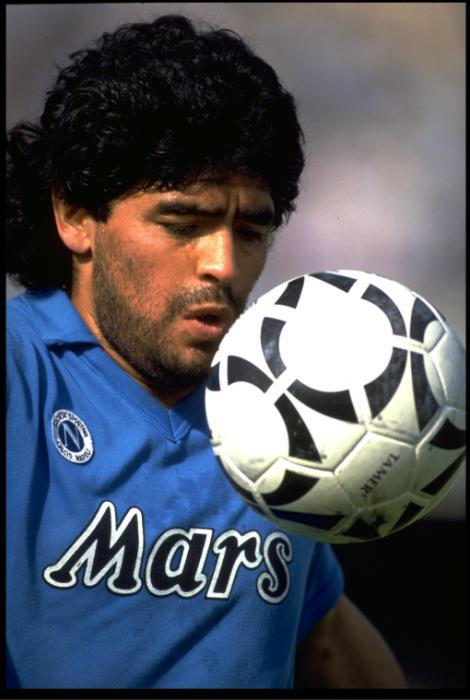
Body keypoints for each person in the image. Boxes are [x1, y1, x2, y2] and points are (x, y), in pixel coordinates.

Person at [6, 14, 407, 689]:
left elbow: (323, 637)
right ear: (75, 215)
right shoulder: (20, 376)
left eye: (251, 230)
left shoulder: (293, 414)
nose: (223, 262)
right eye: (183, 222)